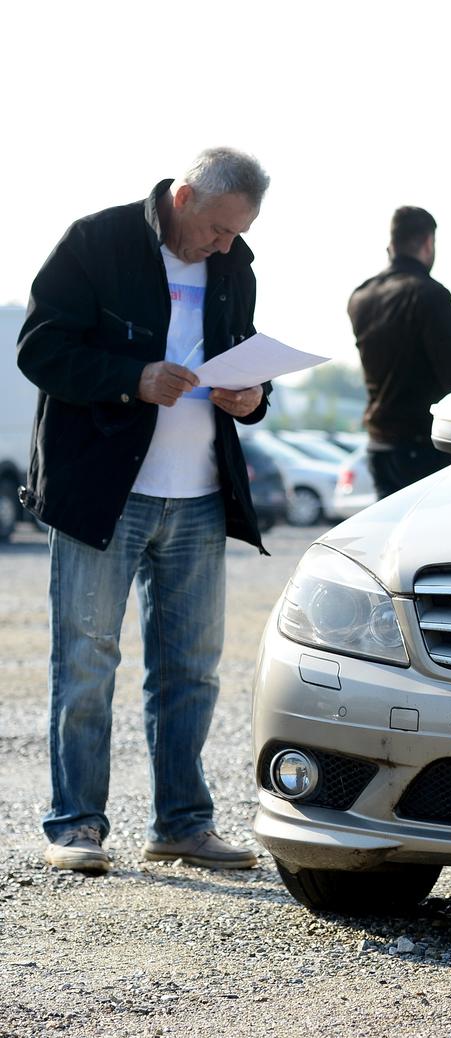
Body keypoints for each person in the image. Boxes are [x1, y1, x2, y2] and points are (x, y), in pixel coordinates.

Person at [18, 147, 275, 874]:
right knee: (87, 663)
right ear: (185, 196)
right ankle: (76, 828)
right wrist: (133, 379)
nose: (227, 245)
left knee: (191, 671)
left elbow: (248, 363)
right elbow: (40, 350)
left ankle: (183, 826)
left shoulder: (233, 265)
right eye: (220, 229)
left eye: (238, 234)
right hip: (105, 493)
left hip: (198, 498)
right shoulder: (94, 242)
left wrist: (255, 398)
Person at [348, 206, 451, 499]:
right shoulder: (431, 295)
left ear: (391, 244)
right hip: (426, 449)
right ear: (428, 242)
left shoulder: (361, 296)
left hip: (379, 446)